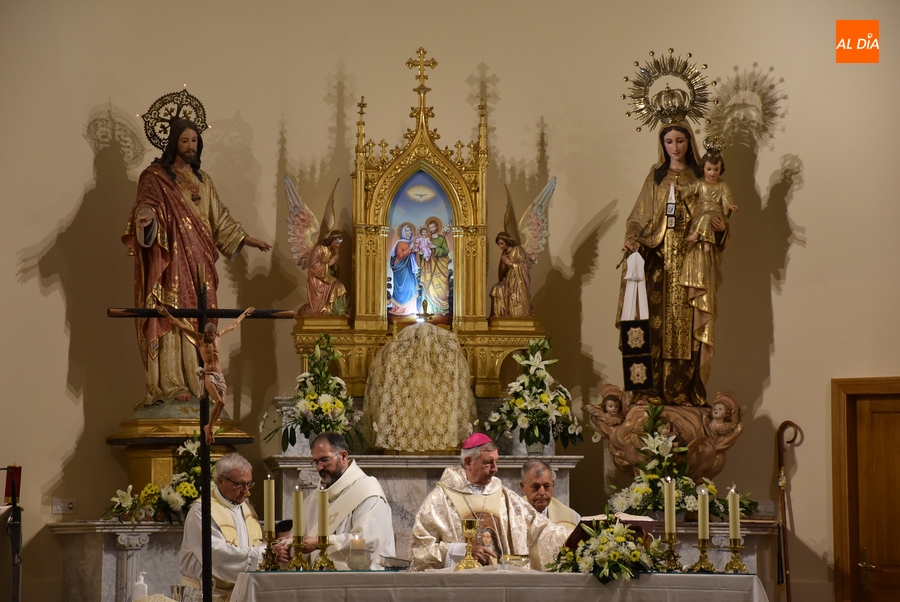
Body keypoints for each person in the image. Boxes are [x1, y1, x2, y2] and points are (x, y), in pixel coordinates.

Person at [123, 118, 271, 407]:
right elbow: (147, 205)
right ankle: (171, 382)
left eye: (194, 141)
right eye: (185, 141)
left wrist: (245, 239)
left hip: (201, 261)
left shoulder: (204, 181)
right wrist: (147, 218)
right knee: (173, 315)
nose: (190, 147)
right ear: (174, 143)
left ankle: (198, 380)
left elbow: (220, 220)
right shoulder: (155, 177)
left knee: (202, 320)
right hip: (171, 262)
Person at [617, 123, 729, 406]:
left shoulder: (701, 177)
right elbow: (636, 219)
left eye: (681, 140)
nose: (675, 148)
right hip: (656, 262)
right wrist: (633, 239)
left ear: (690, 142)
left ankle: (684, 391)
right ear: (662, 144)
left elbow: (717, 215)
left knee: (685, 327)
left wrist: (718, 229)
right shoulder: (655, 178)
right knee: (652, 325)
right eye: (669, 141)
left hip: (690, 260)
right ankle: (647, 391)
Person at [409, 433, 570, 571]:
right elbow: (420, 550)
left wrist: (579, 538)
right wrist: (461, 551)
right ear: (468, 462)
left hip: (501, 586)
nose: (495, 469)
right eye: (488, 463)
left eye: (496, 462)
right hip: (459, 588)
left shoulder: (504, 496)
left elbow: (541, 530)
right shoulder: (439, 500)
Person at [180, 453, 288, 602]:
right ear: (220, 481)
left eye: (249, 483)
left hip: (240, 593)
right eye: (239, 484)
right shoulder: (202, 510)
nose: (246, 491)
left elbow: (252, 545)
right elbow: (217, 555)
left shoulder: (247, 508)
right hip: (206, 595)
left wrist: (277, 548)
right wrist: (266, 553)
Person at [298, 432, 395, 569]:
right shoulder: (315, 498)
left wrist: (321, 542)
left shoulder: (367, 491)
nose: (319, 467)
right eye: (316, 461)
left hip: (361, 582)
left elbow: (367, 542)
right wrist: (286, 547)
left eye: (324, 460)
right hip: (319, 583)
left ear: (343, 456)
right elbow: (299, 539)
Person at [157, 306, 253, 444]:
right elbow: (181, 326)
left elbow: (233, 325)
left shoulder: (219, 336)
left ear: (214, 333)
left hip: (219, 375)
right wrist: (167, 314)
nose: (208, 337)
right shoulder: (200, 338)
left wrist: (244, 314)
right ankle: (209, 428)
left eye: (210, 335)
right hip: (208, 374)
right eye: (206, 334)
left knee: (223, 402)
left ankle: (209, 426)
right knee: (218, 401)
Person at [681, 154, 737, 253]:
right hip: (700, 212)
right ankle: (704, 239)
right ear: (703, 168)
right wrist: (680, 188)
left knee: (707, 217)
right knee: (704, 217)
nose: (712, 173)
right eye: (709, 169)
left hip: (715, 212)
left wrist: (730, 206)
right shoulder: (700, 183)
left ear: (721, 169)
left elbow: (727, 199)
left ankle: (702, 237)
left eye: (716, 169)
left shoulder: (722, 185)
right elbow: (690, 188)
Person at [518, 460, 581, 529]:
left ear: (552, 484)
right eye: (535, 487)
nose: (542, 492)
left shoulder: (572, 517)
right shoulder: (512, 516)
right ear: (523, 487)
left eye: (547, 486)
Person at [299, 230, 348, 316]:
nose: (338, 245)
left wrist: (334, 266)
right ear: (331, 240)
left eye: (339, 243)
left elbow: (333, 270)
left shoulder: (332, 251)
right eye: (337, 243)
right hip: (318, 280)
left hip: (327, 278)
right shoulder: (319, 249)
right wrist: (329, 263)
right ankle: (322, 309)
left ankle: (340, 312)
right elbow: (313, 266)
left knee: (340, 287)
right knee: (318, 309)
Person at [490, 232, 534, 317]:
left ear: (507, 241)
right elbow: (502, 271)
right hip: (508, 279)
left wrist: (510, 263)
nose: (500, 246)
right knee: (496, 289)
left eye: (502, 243)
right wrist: (504, 266)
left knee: (516, 310)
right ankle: (500, 314)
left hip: (518, 281)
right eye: (499, 244)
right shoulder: (504, 252)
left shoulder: (518, 250)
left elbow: (523, 265)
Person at [418, 217, 451, 314]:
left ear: (437, 227)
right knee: (429, 284)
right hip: (429, 266)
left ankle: (440, 309)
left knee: (441, 286)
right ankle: (427, 310)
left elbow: (446, 251)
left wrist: (435, 247)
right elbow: (422, 249)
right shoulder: (428, 239)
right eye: (430, 227)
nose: (432, 229)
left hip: (439, 266)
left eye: (433, 227)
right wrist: (422, 253)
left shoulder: (442, 238)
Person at [388, 222, 419, 315]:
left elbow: (413, 256)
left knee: (411, 287)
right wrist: (410, 249)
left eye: (410, 230)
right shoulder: (400, 243)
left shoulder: (411, 242)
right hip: (401, 268)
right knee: (403, 288)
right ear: (403, 232)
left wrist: (416, 251)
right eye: (407, 230)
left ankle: (410, 309)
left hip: (409, 268)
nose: (409, 232)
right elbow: (400, 255)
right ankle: (400, 308)